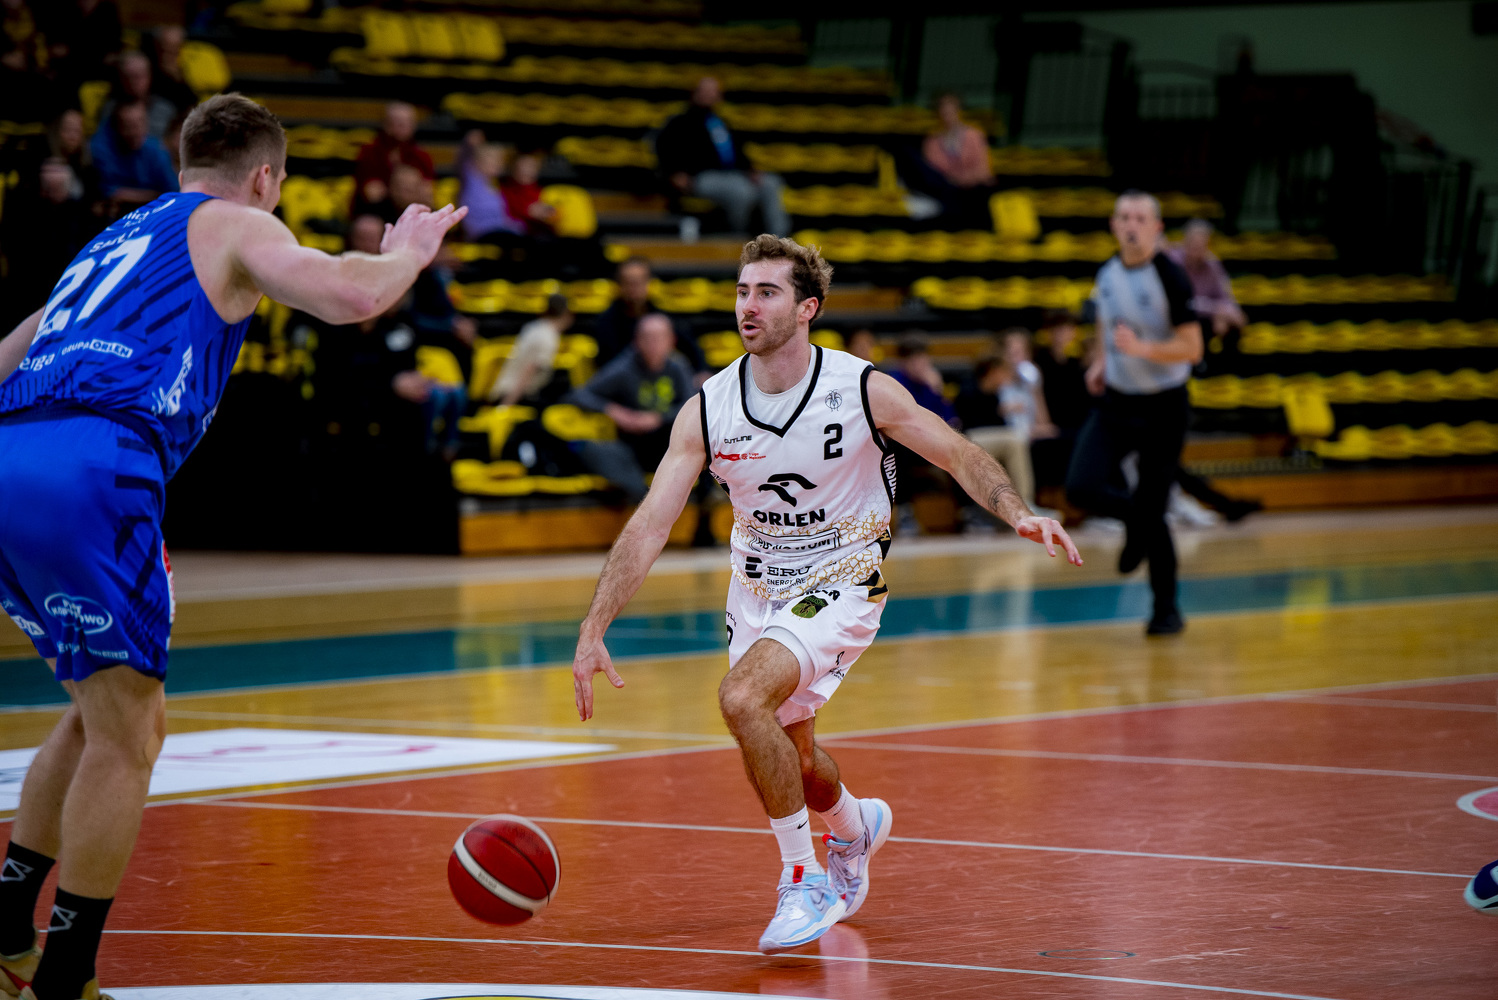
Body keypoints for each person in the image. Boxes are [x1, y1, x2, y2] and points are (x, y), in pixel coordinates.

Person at [0, 93, 465, 1000]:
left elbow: (10, 354)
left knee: (99, 706)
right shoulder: (235, 223)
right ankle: (66, 978)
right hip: (94, 463)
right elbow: (351, 294)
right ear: (264, 178)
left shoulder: (112, 239)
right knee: (133, 736)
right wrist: (408, 253)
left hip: (12, 453)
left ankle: (8, 924)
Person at [570, 235, 1081, 954]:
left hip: (843, 577)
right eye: (742, 291)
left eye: (766, 292)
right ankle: (852, 826)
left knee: (741, 698)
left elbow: (956, 450)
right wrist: (594, 626)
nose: (748, 306)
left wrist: (1016, 509)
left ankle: (802, 879)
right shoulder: (709, 408)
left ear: (807, 307)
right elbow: (651, 522)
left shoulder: (861, 389)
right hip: (757, 588)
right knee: (797, 761)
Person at [1066, 191, 1202, 636]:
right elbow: (1107, 324)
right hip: (1118, 401)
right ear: (1113, 224)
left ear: (1157, 228)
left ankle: (1167, 610)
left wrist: (1143, 349)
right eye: (1124, 217)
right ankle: (1136, 523)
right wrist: (1101, 363)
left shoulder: (1171, 277)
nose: (1131, 225)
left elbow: (1193, 347)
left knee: (1154, 507)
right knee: (1081, 487)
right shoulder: (1107, 272)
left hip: (1164, 407)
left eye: (1141, 218)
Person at [568, 312, 694, 504]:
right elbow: (579, 395)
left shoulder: (678, 366)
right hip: (632, 447)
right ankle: (639, 495)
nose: (653, 343)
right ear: (636, 341)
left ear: (671, 341)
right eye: (647, 338)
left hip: (668, 443)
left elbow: (693, 405)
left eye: (659, 337)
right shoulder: (624, 368)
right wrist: (614, 411)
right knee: (585, 448)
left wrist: (659, 418)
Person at [655, 76, 789, 236]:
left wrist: (751, 169)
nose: (709, 95)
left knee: (771, 183)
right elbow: (664, 149)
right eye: (705, 91)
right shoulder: (679, 122)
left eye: (713, 92)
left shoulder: (720, 122)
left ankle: (780, 238)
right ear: (694, 93)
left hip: (733, 174)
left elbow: (737, 151)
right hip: (701, 176)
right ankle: (739, 236)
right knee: (742, 191)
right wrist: (674, 173)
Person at [591, 256, 706, 374]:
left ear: (649, 282)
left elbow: (692, 350)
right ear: (619, 284)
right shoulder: (606, 322)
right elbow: (607, 366)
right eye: (628, 282)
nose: (633, 288)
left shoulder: (664, 318)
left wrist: (701, 371)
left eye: (638, 282)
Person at [917, 92, 994, 225]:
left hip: (975, 191)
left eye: (951, 110)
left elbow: (983, 171)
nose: (947, 115)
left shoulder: (975, 136)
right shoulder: (931, 142)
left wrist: (960, 179)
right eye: (943, 111)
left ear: (959, 111)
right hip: (947, 192)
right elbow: (933, 174)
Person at [89, 100, 177, 212]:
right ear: (117, 127)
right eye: (129, 126)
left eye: (140, 124)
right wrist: (155, 195)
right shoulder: (103, 150)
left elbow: (173, 192)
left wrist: (127, 196)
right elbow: (110, 194)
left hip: (155, 213)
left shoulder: (156, 150)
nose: (135, 131)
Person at [1166, 219, 1247, 340]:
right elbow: (1179, 302)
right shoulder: (1172, 261)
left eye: (1201, 244)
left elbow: (1226, 297)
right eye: (1194, 243)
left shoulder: (1213, 264)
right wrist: (1216, 310)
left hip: (1203, 318)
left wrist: (1230, 311)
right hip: (1175, 317)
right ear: (1185, 241)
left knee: (1232, 324)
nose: (1197, 248)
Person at [351, 101, 434, 218]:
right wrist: (406, 189)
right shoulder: (369, 152)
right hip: (375, 212)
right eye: (394, 123)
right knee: (368, 226)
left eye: (404, 123)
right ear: (385, 124)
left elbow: (427, 195)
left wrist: (392, 189)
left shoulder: (421, 156)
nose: (399, 128)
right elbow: (371, 194)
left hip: (411, 212)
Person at [490, 293, 571, 407]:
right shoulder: (549, 337)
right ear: (566, 314)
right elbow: (529, 371)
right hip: (516, 396)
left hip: (505, 390)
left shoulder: (533, 327)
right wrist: (506, 405)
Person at [455, 129, 526, 241]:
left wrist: (519, 227)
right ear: (477, 161)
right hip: (479, 235)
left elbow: (503, 219)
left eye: (498, 160)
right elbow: (462, 161)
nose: (496, 163)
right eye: (490, 159)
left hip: (501, 233)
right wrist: (468, 144)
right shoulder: (471, 181)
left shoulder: (497, 188)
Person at [98, 50, 176, 140]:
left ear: (149, 77)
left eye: (138, 76)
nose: (133, 82)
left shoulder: (166, 110)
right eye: (128, 77)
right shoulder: (109, 109)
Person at [500, 151, 557, 236]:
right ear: (513, 169)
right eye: (520, 167)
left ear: (537, 170)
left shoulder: (545, 192)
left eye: (530, 166)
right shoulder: (503, 191)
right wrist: (529, 211)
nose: (525, 170)